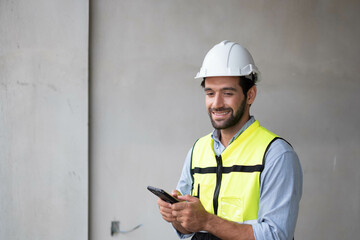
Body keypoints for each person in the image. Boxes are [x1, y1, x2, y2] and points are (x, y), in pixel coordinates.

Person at [157, 40, 303, 240]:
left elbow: (275, 235)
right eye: (210, 93)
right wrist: (175, 216)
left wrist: (207, 221)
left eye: (227, 93)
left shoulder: (276, 154)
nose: (216, 104)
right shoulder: (197, 150)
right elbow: (188, 228)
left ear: (250, 95)